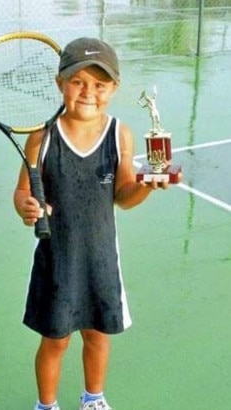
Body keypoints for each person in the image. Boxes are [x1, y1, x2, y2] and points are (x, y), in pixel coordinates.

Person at [14, 37, 169, 410]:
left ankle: (93, 398)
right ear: (60, 83)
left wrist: (148, 185)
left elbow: (123, 195)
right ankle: (46, 405)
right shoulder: (42, 137)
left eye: (100, 85)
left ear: (114, 88)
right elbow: (21, 192)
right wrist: (27, 208)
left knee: (98, 335)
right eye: (78, 81)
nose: (89, 92)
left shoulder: (121, 135)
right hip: (57, 261)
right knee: (55, 340)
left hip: (101, 258)